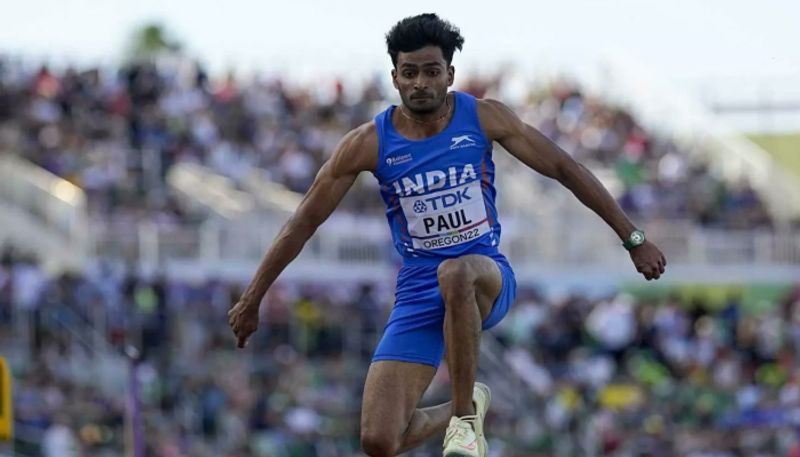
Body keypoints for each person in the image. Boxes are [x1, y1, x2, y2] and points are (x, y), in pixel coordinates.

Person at [228, 13, 667, 457]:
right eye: (410, 73)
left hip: (485, 278)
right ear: (395, 79)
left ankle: (464, 424)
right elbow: (303, 221)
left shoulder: (484, 118)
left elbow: (564, 169)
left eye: (432, 72)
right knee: (380, 441)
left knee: (456, 272)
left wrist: (632, 237)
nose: (421, 83)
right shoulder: (368, 143)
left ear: (450, 75)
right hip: (419, 293)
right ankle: (468, 402)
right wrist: (252, 297)